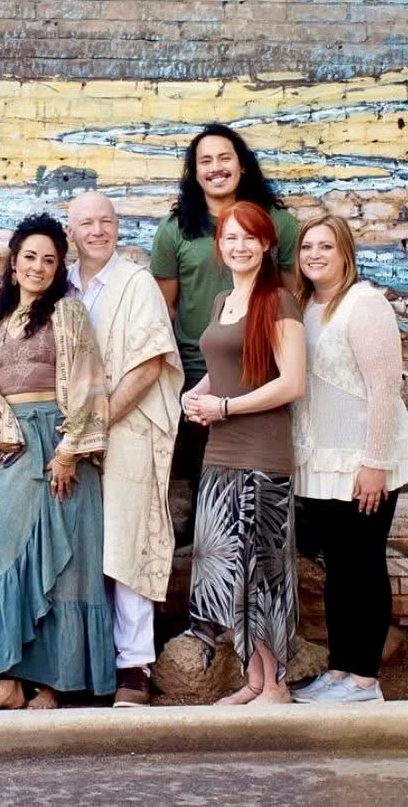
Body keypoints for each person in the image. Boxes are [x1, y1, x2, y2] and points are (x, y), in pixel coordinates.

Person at [0, 213, 113, 711]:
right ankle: (9, 682)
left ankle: (53, 684)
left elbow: (87, 381)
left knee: (62, 567)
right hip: (13, 453)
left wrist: (69, 451)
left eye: (49, 260)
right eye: (29, 257)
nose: (38, 266)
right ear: (13, 264)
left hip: (58, 446)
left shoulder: (68, 314)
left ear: (59, 269)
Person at [290, 216, 408, 704]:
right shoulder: (305, 305)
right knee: (341, 568)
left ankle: (365, 678)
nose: (316, 254)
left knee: (364, 564)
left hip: (364, 459)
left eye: (326, 246)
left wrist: (374, 462)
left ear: (345, 252)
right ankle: (340, 670)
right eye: (308, 246)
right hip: (322, 461)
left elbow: (384, 388)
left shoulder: (364, 304)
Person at [150, 125, 300, 541]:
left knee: (256, 507)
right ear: (194, 173)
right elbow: (163, 309)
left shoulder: (280, 224)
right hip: (200, 379)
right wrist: (189, 390)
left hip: (263, 382)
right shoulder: (176, 229)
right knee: (210, 502)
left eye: (225, 158)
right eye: (205, 161)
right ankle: (216, 598)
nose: (216, 168)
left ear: (241, 164)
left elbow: (290, 297)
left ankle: (252, 597)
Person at [182, 201, 306, 705]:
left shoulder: (279, 303)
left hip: (262, 455)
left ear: (267, 245)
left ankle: (276, 685)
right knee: (230, 571)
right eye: (230, 238)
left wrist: (226, 406)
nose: (239, 247)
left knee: (262, 571)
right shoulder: (221, 302)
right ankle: (252, 680)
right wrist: (197, 392)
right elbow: (227, 364)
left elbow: (291, 383)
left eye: (249, 238)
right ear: (221, 246)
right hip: (220, 453)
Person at [66, 192, 183, 708]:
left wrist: (98, 422)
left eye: (106, 221)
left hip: (128, 427)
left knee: (127, 538)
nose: (97, 231)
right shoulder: (64, 286)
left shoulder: (135, 282)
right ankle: (87, 663)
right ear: (71, 232)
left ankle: (134, 665)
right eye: (86, 223)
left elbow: (151, 362)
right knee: (82, 545)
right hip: (70, 436)